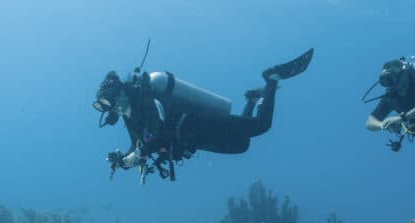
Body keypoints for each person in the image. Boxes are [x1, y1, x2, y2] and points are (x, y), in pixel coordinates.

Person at [94, 48, 314, 181]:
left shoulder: (145, 100)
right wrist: (123, 160)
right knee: (242, 145)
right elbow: (139, 145)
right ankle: (252, 99)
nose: (108, 109)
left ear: (120, 92)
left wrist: (140, 152)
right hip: (193, 140)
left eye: (108, 102)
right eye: (103, 106)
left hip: (197, 124)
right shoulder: (129, 115)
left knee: (261, 126)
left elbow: (159, 135)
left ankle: (272, 79)